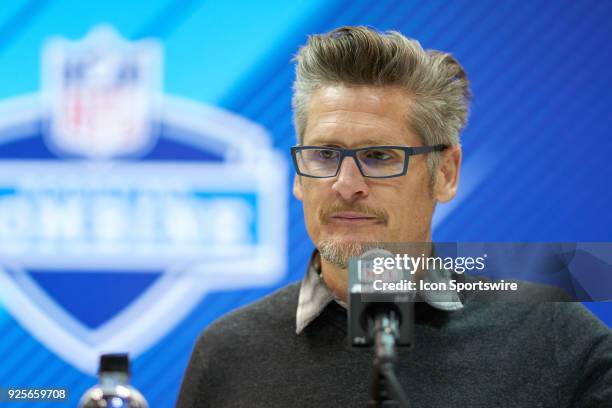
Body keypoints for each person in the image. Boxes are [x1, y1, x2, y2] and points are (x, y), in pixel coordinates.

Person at [177, 26, 612, 407]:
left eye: (380, 156)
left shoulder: (556, 339)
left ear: (445, 172)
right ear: (297, 175)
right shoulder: (227, 353)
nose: (347, 184)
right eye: (325, 155)